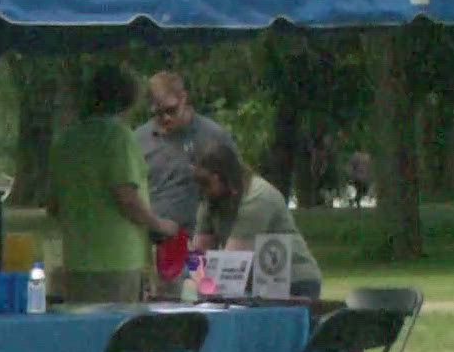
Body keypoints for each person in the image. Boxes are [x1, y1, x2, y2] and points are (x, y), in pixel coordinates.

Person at [49, 64, 177, 304]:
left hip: (76, 260)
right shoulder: (119, 136)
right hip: (118, 260)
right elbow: (126, 197)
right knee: (116, 332)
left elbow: (54, 205)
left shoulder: (66, 140)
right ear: (127, 100)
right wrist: (159, 225)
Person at [135, 70, 236, 295]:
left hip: (201, 246)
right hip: (155, 248)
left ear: (184, 98)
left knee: (200, 308)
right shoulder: (138, 140)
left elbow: (233, 187)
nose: (165, 118)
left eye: (171, 110)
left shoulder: (213, 135)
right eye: (157, 113)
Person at [191, 141, 323, 300]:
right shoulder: (210, 200)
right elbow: (199, 256)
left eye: (205, 182)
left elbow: (231, 264)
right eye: (197, 182)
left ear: (223, 177)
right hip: (257, 286)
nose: (201, 189)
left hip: (294, 281)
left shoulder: (257, 197)